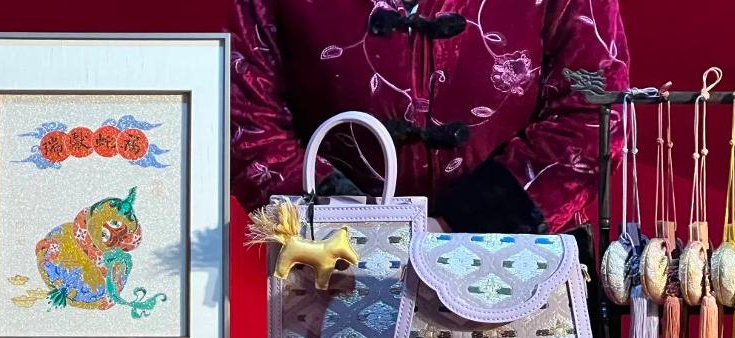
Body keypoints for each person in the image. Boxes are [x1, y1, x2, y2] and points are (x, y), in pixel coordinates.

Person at [230, 0, 629, 236]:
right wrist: (360, 229)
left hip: (514, 273)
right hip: (336, 274)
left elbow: (592, 115)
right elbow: (246, 124)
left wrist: (459, 224)